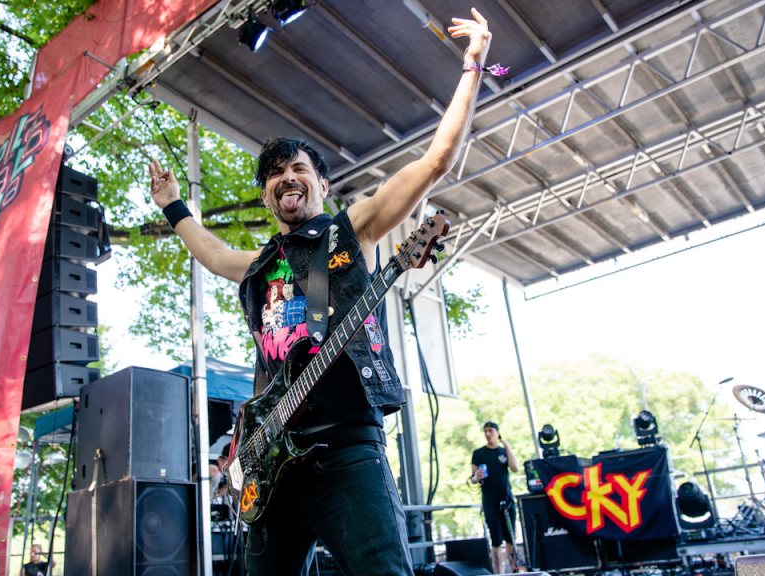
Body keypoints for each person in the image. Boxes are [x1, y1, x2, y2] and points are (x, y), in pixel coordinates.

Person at [146, 9, 494, 575]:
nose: (286, 177)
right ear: (266, 196)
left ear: (322, 184)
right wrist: (171, 204)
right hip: (272, 465)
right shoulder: (259, 266)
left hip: (347, 454)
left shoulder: (348, 231)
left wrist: (473, 65)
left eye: (298, 168)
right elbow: (209, 252)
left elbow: (435, 161)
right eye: (274, 174)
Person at [471, 421, 519, 574]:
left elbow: (515, 468)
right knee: (496, 540)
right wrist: (476, 477)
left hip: (507, 501)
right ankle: (498, 572)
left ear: (497, 432)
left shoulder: (503, 452)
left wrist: (507, 446)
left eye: (491, 430)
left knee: (510, 538)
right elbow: (472, 478)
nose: (488, 434)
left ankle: (514, 569)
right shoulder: (479, 453)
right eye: (485, 431)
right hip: (490, 503)